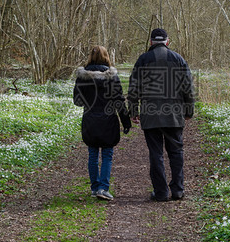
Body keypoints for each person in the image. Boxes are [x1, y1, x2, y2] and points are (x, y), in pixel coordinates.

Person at [128, 28, 195, 202]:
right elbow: (188, 87)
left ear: (151, 42)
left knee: (155, 153)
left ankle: (161, 192)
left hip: (150, 115)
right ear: (167, 41)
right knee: (176, 152)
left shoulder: (143, 60)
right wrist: (189, 111)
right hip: (174, 114)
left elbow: (134, 89)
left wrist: (134, 111)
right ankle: (178, 190)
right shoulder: (178, 59)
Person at [73, 45, 131, 200]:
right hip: (108, 120)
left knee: (92, 154)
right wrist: (126, 122)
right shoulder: (112, 76)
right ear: (106, 56)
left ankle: (94, 188)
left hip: (90, 119)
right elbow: (119, 100)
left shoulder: (82, 76)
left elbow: (77, 101)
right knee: (107, 154)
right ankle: (103, 189)